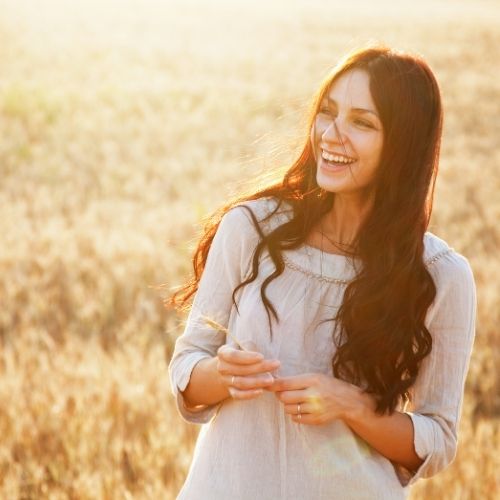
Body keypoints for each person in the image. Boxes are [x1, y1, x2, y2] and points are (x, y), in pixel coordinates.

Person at [167, 43, 477, 499]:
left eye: (362, 122)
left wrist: (351, 406)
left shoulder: (440, 277)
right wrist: (223, 374)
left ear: (403, 145)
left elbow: (438, 439)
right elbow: (187, 371)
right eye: (327, 112)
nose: (332, 134)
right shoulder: (250, 229)